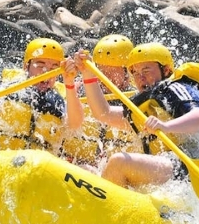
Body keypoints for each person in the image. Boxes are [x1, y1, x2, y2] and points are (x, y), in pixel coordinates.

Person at [74, 42, 199, 188]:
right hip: (165, 167)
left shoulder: (176, 88)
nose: (140, 78)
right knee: (87, 170)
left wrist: (165, 126)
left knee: (118, 162)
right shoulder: (140, 104)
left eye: (146, 70)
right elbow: (104, 114)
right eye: (136, 73)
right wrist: (87, 73)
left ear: (166, 70)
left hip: (192, 163)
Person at [61, 34, 142, 163]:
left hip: (116, 170)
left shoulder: (138, 99)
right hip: (80, 165)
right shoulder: (79, 90)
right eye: (101, 71)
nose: (105, 78)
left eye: (112, 72)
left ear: (128, 74)